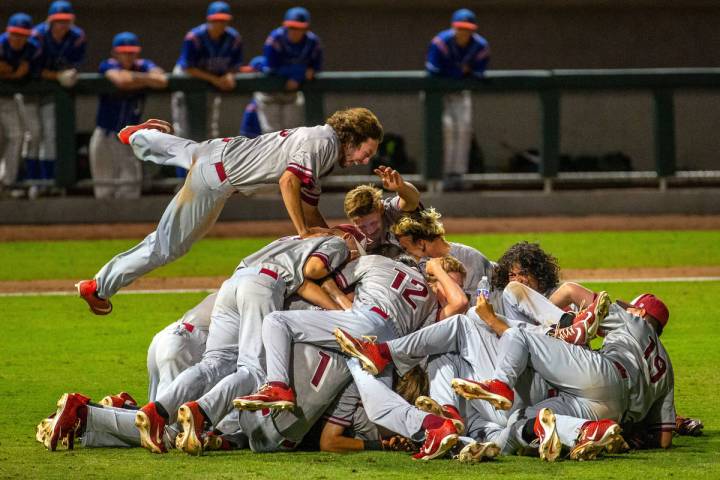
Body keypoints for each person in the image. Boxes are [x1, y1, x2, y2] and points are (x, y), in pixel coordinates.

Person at [75, 107, 383, 315]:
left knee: (183, 149)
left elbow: (308, 203)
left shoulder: (321, 142)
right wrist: (304, 233)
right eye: (364, 152)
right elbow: (289, 182)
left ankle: (137, 136)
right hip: (215, 179)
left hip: (219, 150)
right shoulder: (324, 143)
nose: (362, 159)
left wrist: (327, 233)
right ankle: (98, 286)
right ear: (352, 138)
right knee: (168, 246)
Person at [134, 231, 359, 453]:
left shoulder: (290, 242)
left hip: (232, 285)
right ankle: (201, 411)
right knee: (254, 372)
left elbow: (302, 282)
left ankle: (158, 410)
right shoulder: (337, 242)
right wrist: (345, 306)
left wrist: (336, 310)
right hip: (262, 285)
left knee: (214, 364)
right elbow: (314, 269)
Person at [452, 293, 674, 461]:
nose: (628, 310)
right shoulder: (667, 370)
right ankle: (586, 431)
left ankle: (500, 384)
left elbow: (572, 290)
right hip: (613, 413)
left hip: (606, 375)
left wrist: (562, 323)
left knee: (518, 336)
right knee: (523, 423)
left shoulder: (634, 322)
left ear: (640, 313)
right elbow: (664, 440)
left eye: (631, 308)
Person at [88, 32, 167, 200]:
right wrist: (145, 79)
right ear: (115, 53)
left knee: (130, 190)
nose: (128, 56)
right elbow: (121, 81)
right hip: (105, 135)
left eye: (131, 52)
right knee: (103, 192)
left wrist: (134, 77)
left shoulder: (144, 65)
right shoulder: (107, 64)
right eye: (124, 52)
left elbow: (162, 80)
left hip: (128, 138)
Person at [24, 1, 86, 197]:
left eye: (66, 21)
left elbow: (74, 62)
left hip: (52, 92)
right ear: (50, 20)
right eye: (58, 21)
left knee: (50, 136)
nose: (62, 25)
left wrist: (68, 73)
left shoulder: (77, 37)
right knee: (33, 135)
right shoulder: (36, 36)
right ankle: (33, 182)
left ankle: (50, 182)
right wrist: (57, 76)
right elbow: (31, 70)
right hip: (28, 89)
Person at [425, 8, 489, 191]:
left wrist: (463, 73)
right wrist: (460, 72)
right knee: (447, 129)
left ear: (473, 29)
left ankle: (458, 175)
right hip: (438, 94)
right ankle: (442, 174)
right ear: (454, 27)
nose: (464, 32)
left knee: (464, 129)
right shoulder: (440, 42)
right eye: (460, 28)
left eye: (468, 28)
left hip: (460, 92)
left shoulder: (480, 45)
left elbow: (479, 72)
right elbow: (433, 71)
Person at [391, 207, 495, 304]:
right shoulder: (425, 262)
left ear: (420, 243)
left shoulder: (470, 260)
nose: (407, 253)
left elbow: (478, 308)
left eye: (406, 248)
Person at [172, 0, 243, 142]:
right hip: (188, 82)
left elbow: (235, 65)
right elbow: (188, 67)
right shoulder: (194, 37)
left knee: (209, 128)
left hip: (211, 83)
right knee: (184, 130)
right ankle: (184, 164)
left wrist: (229, 75)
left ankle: (207, 163)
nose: (220, 24)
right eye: (216, 20)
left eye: (223, 20)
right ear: (208, 19)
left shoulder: (233, 38)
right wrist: (215, 80)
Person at [255, 7, 322, 133]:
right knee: (271, 135)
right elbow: (272, 68)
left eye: (298, 28)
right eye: (291, 27)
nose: (294, 31)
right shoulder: (275, 38)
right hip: (270, 92)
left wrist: (301, 74)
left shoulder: (312, 42)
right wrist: (298, 73)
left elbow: (315, 68)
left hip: (293, 93)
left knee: (292, 134)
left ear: (305, 28)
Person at [0, 13, 40, 197]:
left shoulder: (32, 48)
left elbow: (20, 73)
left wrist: (10, 73)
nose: (17, 38)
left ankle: (7, 181)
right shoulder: (1, 44)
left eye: (22, 34)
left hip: (7, 97)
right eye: (14, 34)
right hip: (6, 95)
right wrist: (13, 73)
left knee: (16, 135)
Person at [343, 173, 420, 251]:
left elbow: (412, 201)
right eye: (362, 227)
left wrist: (402, 187)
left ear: (381, 209)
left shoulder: (391, 210)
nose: (370, 231)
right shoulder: (359, 243)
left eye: (374, 223)